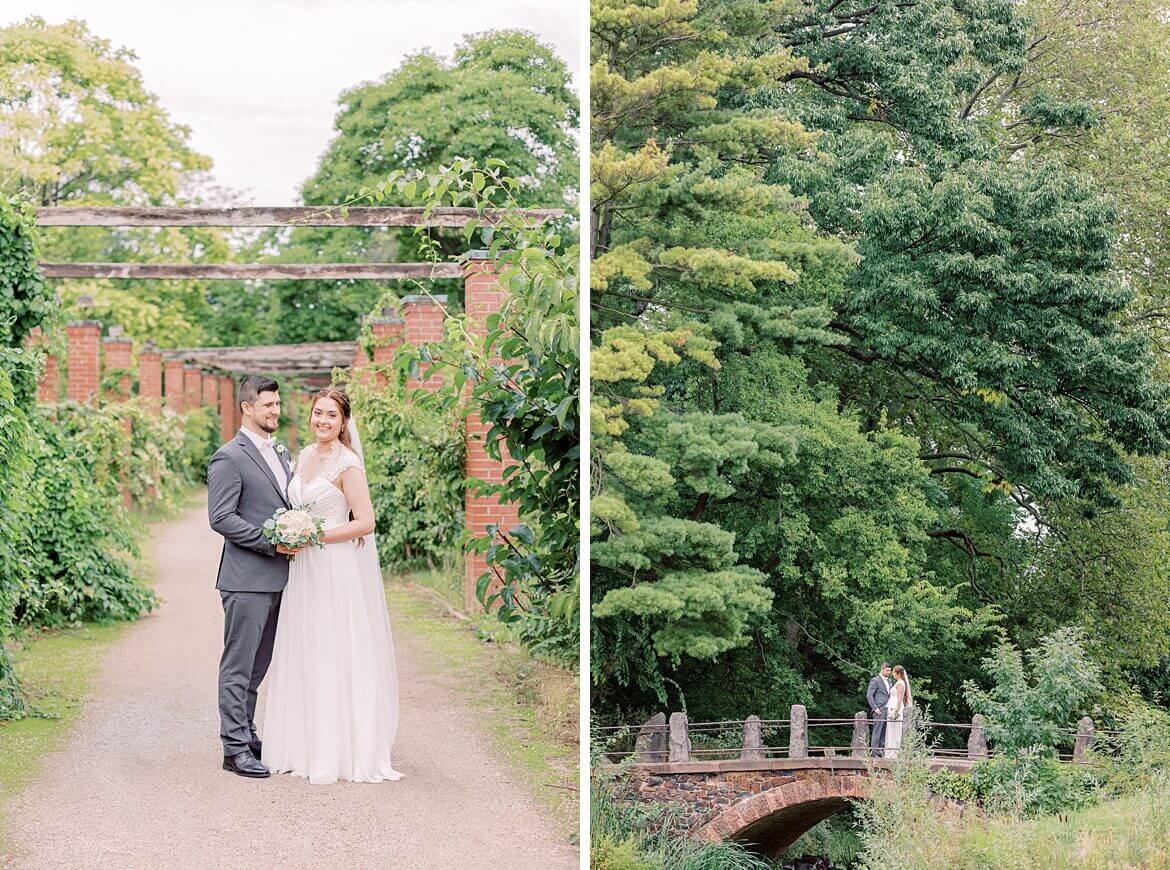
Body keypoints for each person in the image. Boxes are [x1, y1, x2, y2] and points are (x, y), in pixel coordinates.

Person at [261, 387, 405, 784]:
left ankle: (339, 749)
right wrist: (292, 532)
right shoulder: (304, 457)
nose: (322, 420)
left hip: (332, 567)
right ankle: (300, 745)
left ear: (343, 422)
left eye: (331, 415)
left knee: (332, 646)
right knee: (304, 646)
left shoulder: (348, 463)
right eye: (317, 413)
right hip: (302, 568)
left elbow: (365, 522)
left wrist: (315, 536)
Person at [206, 376, 296, 778]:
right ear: (246, 408)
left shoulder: (280, 451)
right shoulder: (229, 456)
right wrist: (271, 542)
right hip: (245, 580)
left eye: (277, 404)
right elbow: (221, 517)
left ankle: (247, 732)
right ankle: (234, 749)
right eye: (267, 405)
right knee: (238, 667)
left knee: (258, 668)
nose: (275, 411)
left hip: (280, 579)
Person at [884, 665, 912, 758]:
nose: (892, 674)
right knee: (891, 730)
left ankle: (894, 753)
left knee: (895, 730)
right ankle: (889, 752)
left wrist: (896, 710)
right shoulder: (897, 683)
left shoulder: (901, 683)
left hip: (896, 708)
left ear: (898, 673)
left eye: (893, 672)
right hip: (892, 707)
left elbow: (899, 698)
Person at [866, 663, 892, 756]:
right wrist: (875, 708)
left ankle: (881, 753)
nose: (889, 672)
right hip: (879, 710)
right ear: (882, 669)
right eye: (887, 670)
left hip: (888, 710)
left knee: (884, 733)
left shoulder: (889, 681)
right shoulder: (875, 680)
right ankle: (874, 754)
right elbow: (869, 695)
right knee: (877, 733)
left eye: (890, 670)